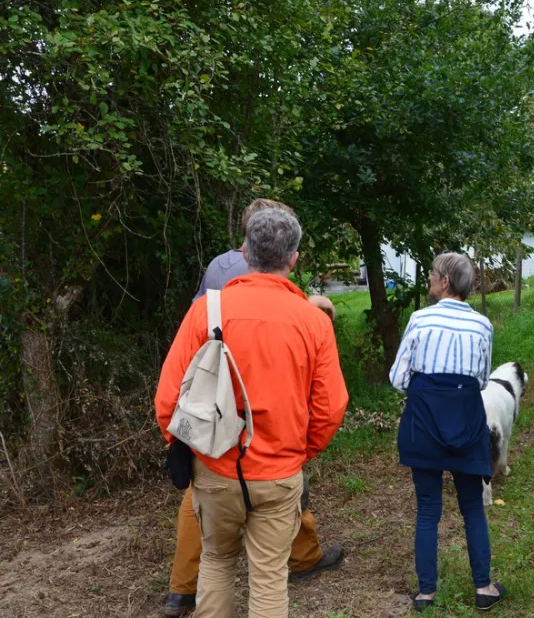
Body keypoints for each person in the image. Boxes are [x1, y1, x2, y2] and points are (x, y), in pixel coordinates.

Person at [155, 207, 350, 618]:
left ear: (245, 251)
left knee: (216, 561)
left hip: (215, 468)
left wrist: (188, 448)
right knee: (269, 578)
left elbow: (168, 398)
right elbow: (331, 406)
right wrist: (301, 452)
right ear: (293, 258)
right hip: (279, 471)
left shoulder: (206, 311)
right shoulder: (313, 321)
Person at [389, 252, 505, 613]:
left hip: (424, 425)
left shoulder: (419, 320)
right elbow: (482, 380)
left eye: (432, 274)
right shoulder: (483, 325)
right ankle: (484, 587)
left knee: (427, 509)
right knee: (472, 508)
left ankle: (426, 594)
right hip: (466, 426)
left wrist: (428, 389)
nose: (429, 279)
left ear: (445, 281)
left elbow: (397, 378)